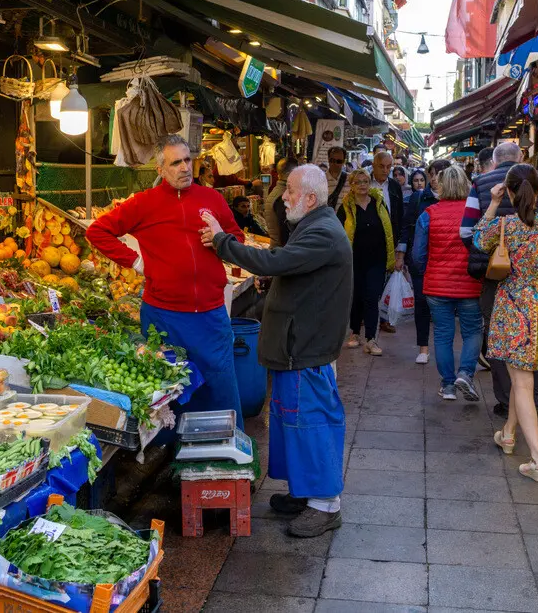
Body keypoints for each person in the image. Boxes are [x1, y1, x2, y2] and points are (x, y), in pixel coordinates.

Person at [199, 165, 352, 538]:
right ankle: (306, 493)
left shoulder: (323, 234)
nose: (282, 199)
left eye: (290, 192)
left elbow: (276, 261)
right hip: (298, 345)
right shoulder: (315, 226)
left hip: (307, 348)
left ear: (310, 199)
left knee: (310, 424)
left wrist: (222, 241)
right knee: (293, 422)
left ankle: (325, 505)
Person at [86, 134, 246, 426]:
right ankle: (177, 456)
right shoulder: (144, 203)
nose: (185, 168)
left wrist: (222, 238)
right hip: (164, 318)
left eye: (188, 160)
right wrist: (136, 262)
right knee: (172, 394)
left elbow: (240, 239)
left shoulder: (212, 198)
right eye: (175, 163)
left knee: (221, 388)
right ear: (160, 169)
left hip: (211, 316)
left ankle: (229, 453)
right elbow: (97, 231)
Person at [474, 164, 538, 483]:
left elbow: (477, 240)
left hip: (514, 305)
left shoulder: (505, 225)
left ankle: (537, 459)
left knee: (522, 383)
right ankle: (507, 434)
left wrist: (491, 203)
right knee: (524, 380)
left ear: (510, 191)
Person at [461, 142, 538, 417]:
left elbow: (469, 235)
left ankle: (508, 401)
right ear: (522, 158)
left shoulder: (482, 184)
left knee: (500, 339)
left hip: (500, 280)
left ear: (494, 162)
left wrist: (494, 208)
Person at [414, 166, 483, 400]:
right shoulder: (476, 213)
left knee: (443, 333)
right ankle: (465, 373)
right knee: (472, 331)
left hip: (437, 284)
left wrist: (428, 271)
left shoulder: (428, 214)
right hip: (470, 284)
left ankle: (448, 385)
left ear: (440, 186)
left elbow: (418, 255)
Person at [397, 159, 451, 364]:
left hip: (446, 260)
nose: (436, 178)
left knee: (444, 304)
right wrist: (401, 254)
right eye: (434, 174)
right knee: (421, 301)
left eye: (441, 173)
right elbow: (407, 226)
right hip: (421, 259)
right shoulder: (419, 198)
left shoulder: (457, 199)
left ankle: (441, 347)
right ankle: (423, 347)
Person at [339, 168, 394, 356]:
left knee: (372, 297)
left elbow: (388, 229)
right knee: (356, 296)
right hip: (354, 259)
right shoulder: (345, 206)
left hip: (377, 258)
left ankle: (371, 338)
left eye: (365, 181)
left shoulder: (378, 203)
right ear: (351, 185)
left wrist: (393, 257)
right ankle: (355, 332)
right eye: (358, 182)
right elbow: (338, 232)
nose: (362, 185)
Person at [370, 151, 404, 334]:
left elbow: (399, 214)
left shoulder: (394, 186)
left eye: (388, 167)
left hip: (389, 239)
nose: (385, 170)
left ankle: (384, 319)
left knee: (386, 280)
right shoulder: (365, 183)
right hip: (368, 238)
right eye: (381, 166)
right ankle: (365, 317)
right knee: (368, 280)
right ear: (374, 165)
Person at [266, 158, 299, 248]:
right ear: (289, 175)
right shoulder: (282, 197)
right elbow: (285, 231)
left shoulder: (278, 192)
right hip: (281, 252)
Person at [326, 146, 350, 211]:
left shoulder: (351, 179)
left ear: (344, 162)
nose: (335, 164)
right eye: (332, 160)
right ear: (328, 159)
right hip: (327, 219)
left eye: (339, 161)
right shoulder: (320, 179)